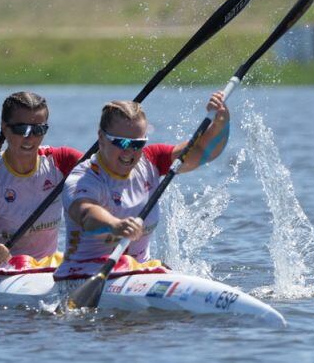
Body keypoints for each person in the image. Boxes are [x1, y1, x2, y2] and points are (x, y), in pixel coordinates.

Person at [54, 91, 230, 280]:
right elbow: (86, 214)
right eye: (121, 142)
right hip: (83, 273)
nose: (129, 151)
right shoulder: (84, 176)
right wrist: (115, 225)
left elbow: (204, 151)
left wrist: (221, 122)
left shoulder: (151, 161)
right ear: (101, 138)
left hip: (139, 270)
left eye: (138, 144)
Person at [0, 91, 82, 274]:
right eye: (22, 130)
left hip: (46, 266)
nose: (30, 138)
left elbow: (108, 169)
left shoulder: (62, 161)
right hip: (1, 269)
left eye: (38, 130)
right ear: (5, 128)